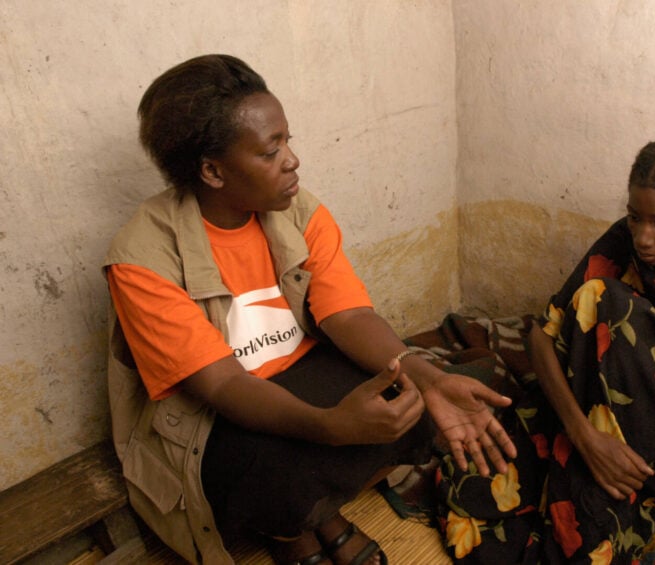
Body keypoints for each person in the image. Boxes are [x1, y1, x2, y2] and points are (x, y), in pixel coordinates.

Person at [103, 54, 517, 565]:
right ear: (212, 170)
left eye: (287, 141)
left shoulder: (299, 210)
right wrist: (332, 427)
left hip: (300, 373)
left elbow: (348, 316)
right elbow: (224, 386)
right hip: (217, 413)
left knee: (423, 396)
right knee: (283, 469)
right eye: (270, 150)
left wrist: (424, 376)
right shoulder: (141, 257)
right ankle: (294, 530)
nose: (292, 160)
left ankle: (314, 517)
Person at [435, 137, 655, 563]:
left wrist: (601, 431)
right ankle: (593, 455)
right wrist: (584, 435)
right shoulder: (625, 237)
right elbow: (542, 335)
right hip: (603, 413)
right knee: (473, 475)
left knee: (582, 518)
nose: (644, 238)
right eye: (635, 218)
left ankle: (610, 472)